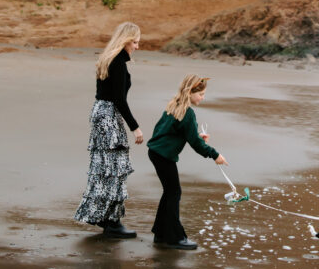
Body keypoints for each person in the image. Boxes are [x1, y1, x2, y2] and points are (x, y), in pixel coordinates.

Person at [74, 21, 143, 238]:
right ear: (125, 40)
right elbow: (119, 100)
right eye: (135, 41)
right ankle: (112, 221)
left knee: (103, 167)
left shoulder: (107, 59)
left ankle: (103, 217)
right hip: (109, 115)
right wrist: (136, 128)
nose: (137, 46)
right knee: (115, 168)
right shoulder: (118, 63)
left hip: (100, 112)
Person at [147, 74, 227, 250]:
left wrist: (196, 137)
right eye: (201, 94)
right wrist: (215, 155)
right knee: (174, 192)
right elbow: (196, 145)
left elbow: (176, 132)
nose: (203, 98)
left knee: (169, 192)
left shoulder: (175, 105)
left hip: (156, 152)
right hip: (163, 155)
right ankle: (174, 238)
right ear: (190, 92)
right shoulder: (187, 112)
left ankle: (160, 234)